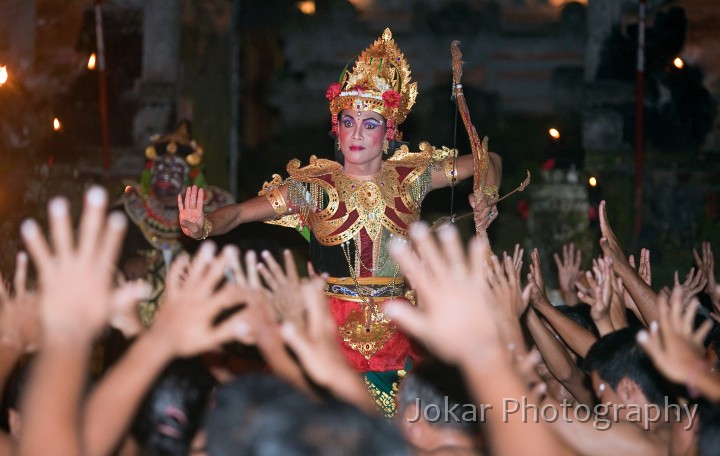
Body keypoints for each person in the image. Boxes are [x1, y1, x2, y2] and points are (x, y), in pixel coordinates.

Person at [179, 28, 502, 416]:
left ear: (389, 134)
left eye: (370, 124)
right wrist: (204, 226)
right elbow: (240, 213)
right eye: (348, 121)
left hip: (399, 328)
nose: (356, 134)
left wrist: (488, 194)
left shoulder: (412, 178)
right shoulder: (314, 187)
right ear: (337, 128)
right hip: (329, 329)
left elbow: (489, 161)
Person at [119, 120, 233, 325]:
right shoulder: (127, 210)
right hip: (136, 330)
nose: (165, 173)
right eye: (160, 166)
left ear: (191, 175)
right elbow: (104, 259)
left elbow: (229, 265)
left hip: (195, 329)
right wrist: (125, 262)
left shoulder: (216, 213)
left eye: (174, 168)